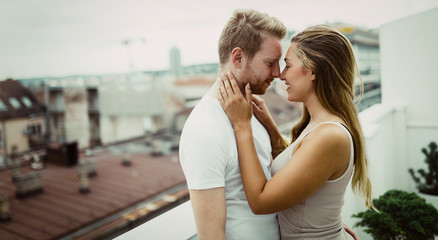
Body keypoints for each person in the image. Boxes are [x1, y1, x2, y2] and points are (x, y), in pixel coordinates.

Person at [218, 24, 374, 240]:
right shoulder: (321, 126)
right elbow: (298, 167)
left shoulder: (330, 136)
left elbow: (260, 201)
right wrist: (271, 127)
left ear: (312, 71)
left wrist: (242, 125)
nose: (281, 75)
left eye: (288, 66)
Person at [179, 9, 287, 240]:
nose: (277, 73)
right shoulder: (205, 130)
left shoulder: (251, 114)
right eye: (270, 63)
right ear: (238, 58)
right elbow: (211, 236)